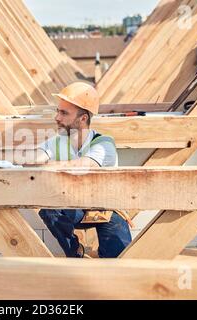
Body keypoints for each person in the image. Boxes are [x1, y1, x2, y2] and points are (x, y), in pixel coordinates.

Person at [35, 82, 132, 258]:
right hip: (75, 209)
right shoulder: (56, 142)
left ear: (83, 118)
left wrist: (48, 166)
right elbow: (33, 158)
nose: (57, 117)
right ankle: (75, 252)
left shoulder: (104, 144)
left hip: (106, 210)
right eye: (58, 111)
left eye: (64, 113)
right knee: (50, 211)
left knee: (118, 264)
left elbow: (82, 166)